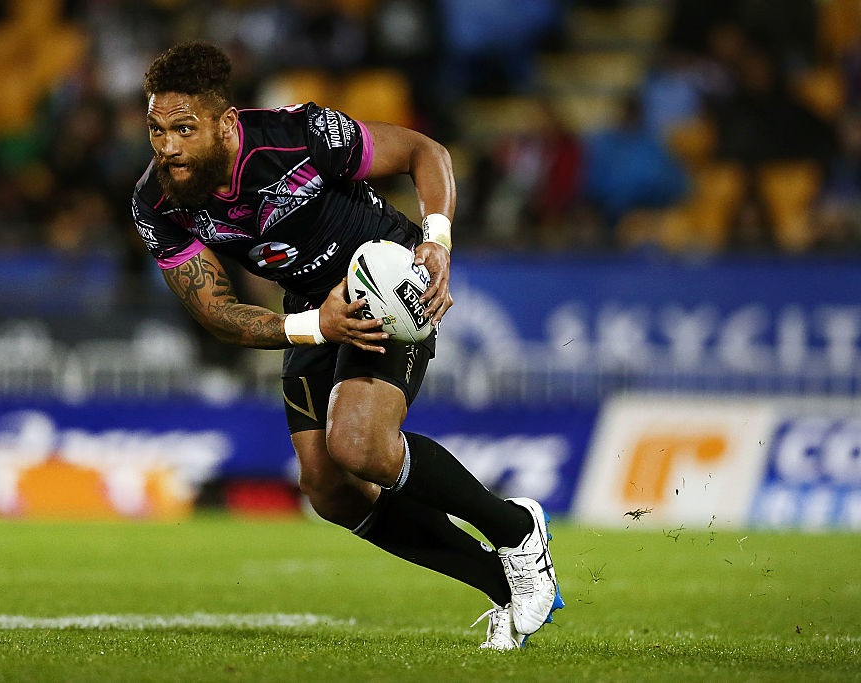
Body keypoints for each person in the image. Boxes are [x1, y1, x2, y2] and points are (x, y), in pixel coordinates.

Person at [130, 41, 562, 650]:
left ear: (225, 124)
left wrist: (436, 241)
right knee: (330, 491)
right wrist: (315, 327)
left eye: (183, 128)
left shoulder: (297, 136)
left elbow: (423, 152)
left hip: (383, 281)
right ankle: (501, 584)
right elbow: (216, 312)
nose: (167, 146)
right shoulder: (157, 202)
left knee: (359, 444)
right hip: (314, 307)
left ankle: (517, 528)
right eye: (155, 129)